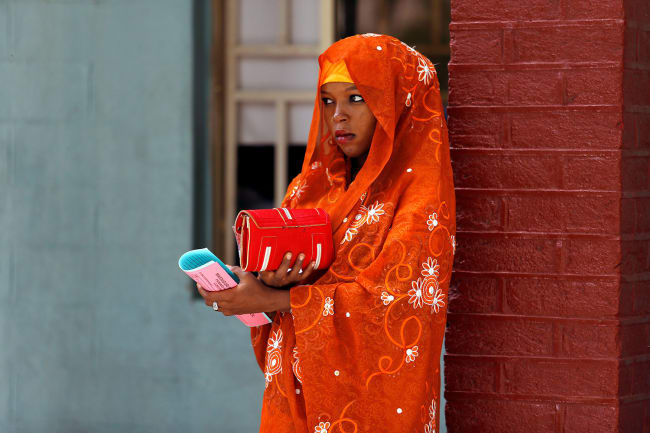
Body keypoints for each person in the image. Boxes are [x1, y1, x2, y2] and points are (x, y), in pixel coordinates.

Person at [197, 34, 456, 432]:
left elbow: (395, 307)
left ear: (398, 102)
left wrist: (274, 297)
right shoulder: (311, 187)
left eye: (356, 98)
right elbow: (281, 295)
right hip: (296, 396)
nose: (339, 115)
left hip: (372, 407)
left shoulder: (418, 195)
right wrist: (252, 284)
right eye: (328, 100)